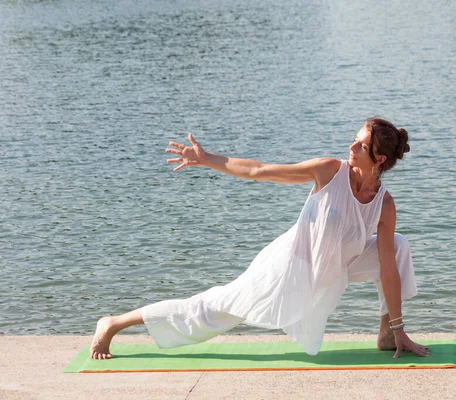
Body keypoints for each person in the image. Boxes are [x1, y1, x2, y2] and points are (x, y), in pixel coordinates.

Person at [90, 117, 430, 360]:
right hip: (289, 269)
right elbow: (259, 170)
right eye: (355, 139)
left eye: (361, 145)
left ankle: (388, 334)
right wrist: (207, 160)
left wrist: (400, 326)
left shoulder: (384, 204)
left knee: (398, 247)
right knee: (209, 312)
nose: (351, 145)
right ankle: (114, 323)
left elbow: (388, 269)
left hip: (339, 266)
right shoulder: (330, 171)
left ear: (379, 159)